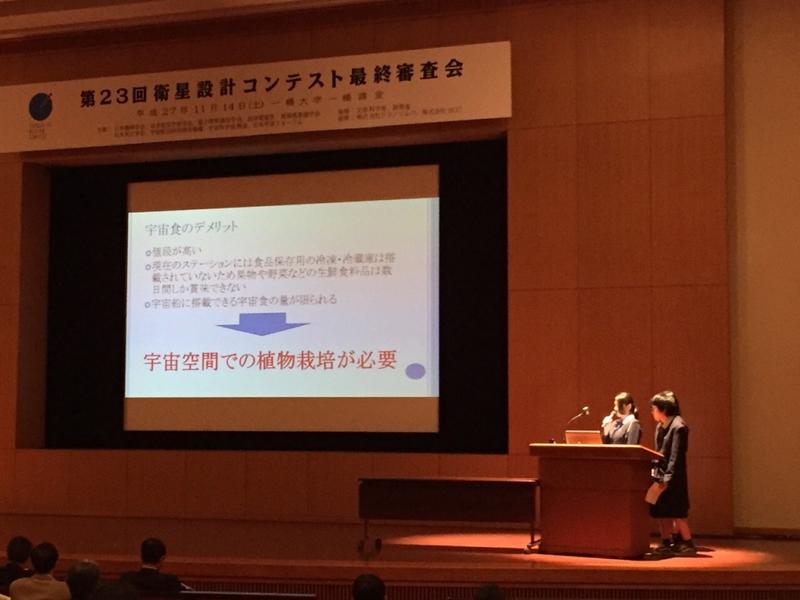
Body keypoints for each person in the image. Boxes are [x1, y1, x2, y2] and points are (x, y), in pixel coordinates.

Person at [648, 390, 696, 556]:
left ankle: (687, 543)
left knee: (677, 512)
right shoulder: (660, 426)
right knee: (661, 511)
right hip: (661, 475)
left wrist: (667, 480)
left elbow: (675, 457)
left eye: (654, 409)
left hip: (673, 477)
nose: (652, 412)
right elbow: (659, 453)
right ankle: (667, 541)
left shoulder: (678, 427)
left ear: (664, 410)